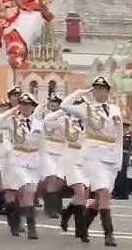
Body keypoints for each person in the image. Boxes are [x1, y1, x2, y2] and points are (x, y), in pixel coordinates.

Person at [60, 76, 122, 247]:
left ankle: (83, 227)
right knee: (103, 193)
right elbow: (64, 105)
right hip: (94, 157)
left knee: (100, 199)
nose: (98, 91)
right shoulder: (86, 108)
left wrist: (119, 160)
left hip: (110, 157)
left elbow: (118, 136)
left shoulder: (116, 110)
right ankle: (109, 234)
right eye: (95, 88)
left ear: (108, 91)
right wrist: (79, 92)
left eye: (102, 89)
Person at [0, 93, 42, 240]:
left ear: (33, 107)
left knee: (21, 194)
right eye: (22, 105)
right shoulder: (12, 121)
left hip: (33, 163)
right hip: (15, 162)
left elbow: (43, 146)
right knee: (24, 191)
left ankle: (16, 220)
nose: (25, 108)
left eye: (28, 105)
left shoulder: (39, 125)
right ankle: (31, 227)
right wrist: (11, 111)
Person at [43, 100, 89, 243]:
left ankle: (66, 212)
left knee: (84, 195)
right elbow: (47, 122)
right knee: (80, 192)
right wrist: (63, 110)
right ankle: (81, 230)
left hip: (85, 162)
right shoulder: (65, 122)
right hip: (70, 161)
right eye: (78, 106)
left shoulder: (91, 123)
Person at [38, 94, 66, 219]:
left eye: (56, 102)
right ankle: (50, 208)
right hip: (47, 152)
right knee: (50, 178)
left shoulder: (66, 118)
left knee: (59, 180)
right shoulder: (45, 116)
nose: (53, 104)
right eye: (51, 102)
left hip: (61, 152)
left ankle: (57, 206)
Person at [113, 120, 132, 199]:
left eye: (125, 128)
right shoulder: (118, 136)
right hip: (117, 156)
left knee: (122, 176)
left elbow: (126, 147)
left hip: (124, 156)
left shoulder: (127, 137)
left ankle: (123, 194)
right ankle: (117, 193)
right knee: (117, 176)